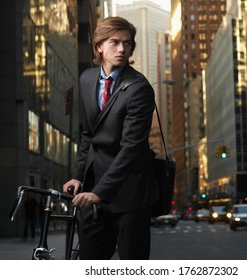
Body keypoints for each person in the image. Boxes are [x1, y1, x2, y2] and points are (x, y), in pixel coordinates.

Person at [62, 16, 158, 260]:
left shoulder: (139, 87)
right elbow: (87, 134)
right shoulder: (86, 79)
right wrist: (77, 174)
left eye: (127, 43)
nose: (122, 49)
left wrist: (100, 192)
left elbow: (132, 149)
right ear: (99, 47)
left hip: (130, 196)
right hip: (94, 194)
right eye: (115, 42)